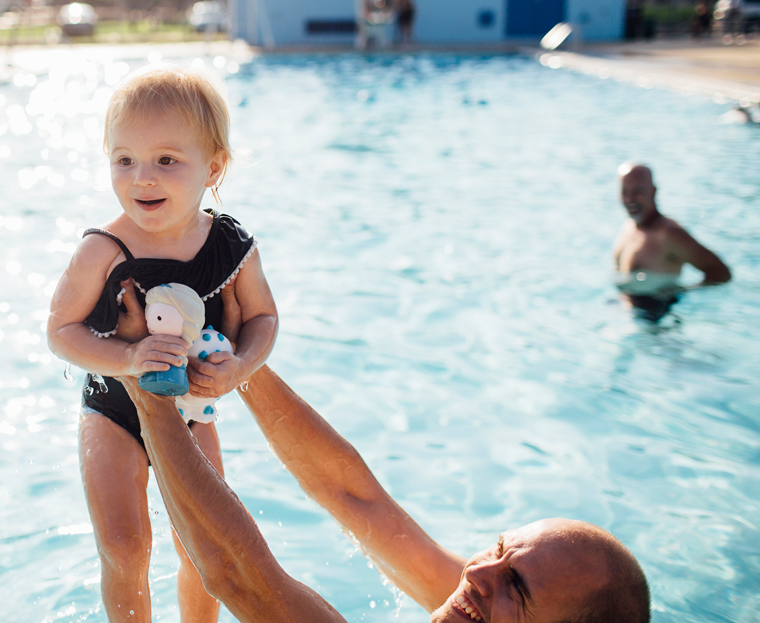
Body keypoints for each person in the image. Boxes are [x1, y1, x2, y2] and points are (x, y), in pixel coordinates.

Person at [109, 337, 651, 622]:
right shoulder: (474, 601)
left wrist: (150, 397)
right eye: (499, 548)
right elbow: (354, 496)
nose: (480, 572)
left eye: (517, 586)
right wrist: (236, 364)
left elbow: (236, 574)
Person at [47, 65, 278, 623]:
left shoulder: (230, 245)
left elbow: (264, 317)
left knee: (206, 549)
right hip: (113, 412)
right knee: (125, 547)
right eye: (124, 159)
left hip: (195, 413)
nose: (141, 178)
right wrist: (127, 357)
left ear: (213, 167)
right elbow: (60, 331)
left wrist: (240, 365)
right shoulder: (103, 251)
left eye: (166, 161)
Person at [613, 162, 731, 321]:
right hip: (626, 311)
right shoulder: (629, 227)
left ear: (653, 191)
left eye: (637, 191)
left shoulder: (669, 234)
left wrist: (682, 291)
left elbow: (721, 273)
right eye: (624, 192)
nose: (629, 199)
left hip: (658, 323)